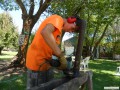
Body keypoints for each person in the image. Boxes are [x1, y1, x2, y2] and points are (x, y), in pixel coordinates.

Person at [26, 14, 81, 89]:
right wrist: (60, 55)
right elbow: (45, 32)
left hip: (46, 64)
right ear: (71, 20)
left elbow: (52, 47)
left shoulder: (58, 32)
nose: (70, 31)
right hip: (36, 63)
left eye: (72, 31)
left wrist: (61, 61)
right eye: (72, 28)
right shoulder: (57, 19)